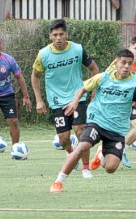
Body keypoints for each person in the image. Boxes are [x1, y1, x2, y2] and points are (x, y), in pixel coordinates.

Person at [50, 49, 136, 193]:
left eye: (130, 63)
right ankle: (58, 181)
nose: (127, 66)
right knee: (81, 147)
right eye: (123, 63)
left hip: (117, 130)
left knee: (110, 168)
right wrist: (75, 101)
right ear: (116, 63)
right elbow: (83, 88)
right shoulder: (102, 77)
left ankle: (101, 155)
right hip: (97, 121)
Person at [31, 19, 99, 179]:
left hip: (78, 98)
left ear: (66, 34)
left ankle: (85, 167)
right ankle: (71, 154)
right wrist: (39, 100)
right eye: (55, 35)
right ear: (50, 37)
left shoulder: (77, 49)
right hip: (56, 102)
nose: (59, 38)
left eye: (61, 34)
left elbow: (94, 68)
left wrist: (94, 90)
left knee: (81, 131)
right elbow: (34, 75)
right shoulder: (44, 54)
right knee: (63, 139)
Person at [91, 36, 136, 170]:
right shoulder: (118, 63)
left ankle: (121, 151)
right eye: (135, 48)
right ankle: (105, 151)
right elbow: (104, 79)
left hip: (130, 103)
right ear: (130, 48)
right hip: (114, 103)